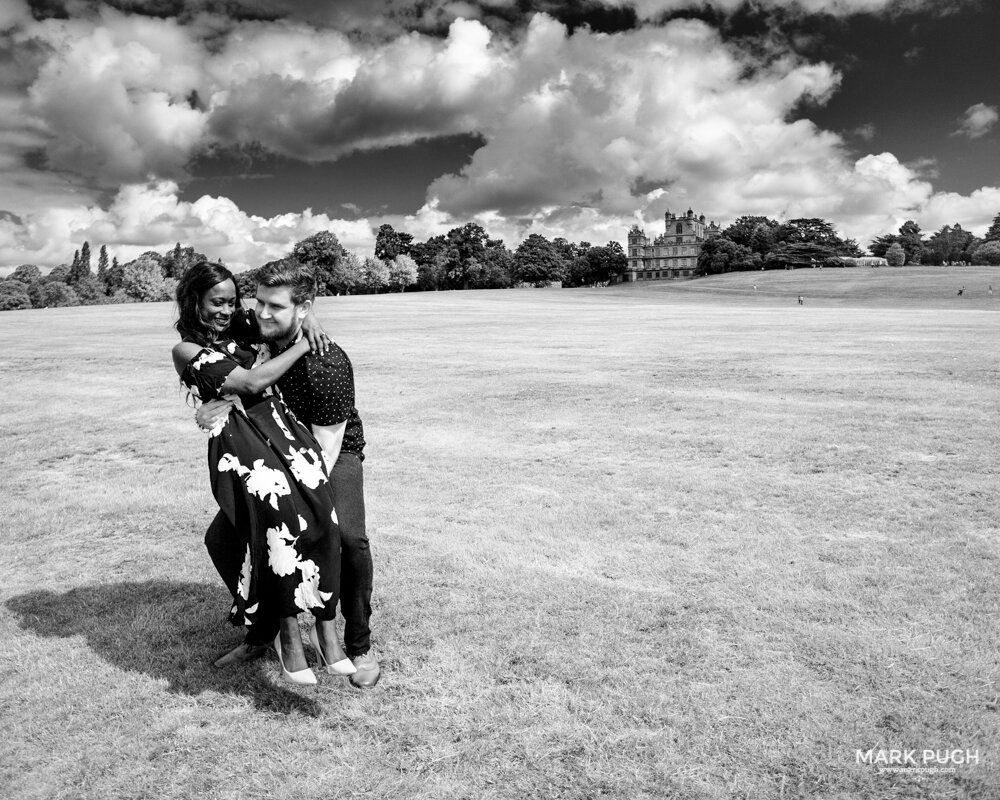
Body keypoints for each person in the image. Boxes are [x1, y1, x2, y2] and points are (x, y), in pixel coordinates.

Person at [198, 259, 381, 689]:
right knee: (221, 538)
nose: (261, 313)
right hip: (269, 447)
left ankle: (358, 644)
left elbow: (326, 448)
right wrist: (209, 408)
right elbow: (217, 373)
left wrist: (300, 510)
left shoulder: (328, 364)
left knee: (346, 536)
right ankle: (266, 631)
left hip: (328, 453)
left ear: (302, 308)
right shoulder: (252, 328)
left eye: (275, 307)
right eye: (258, 301)